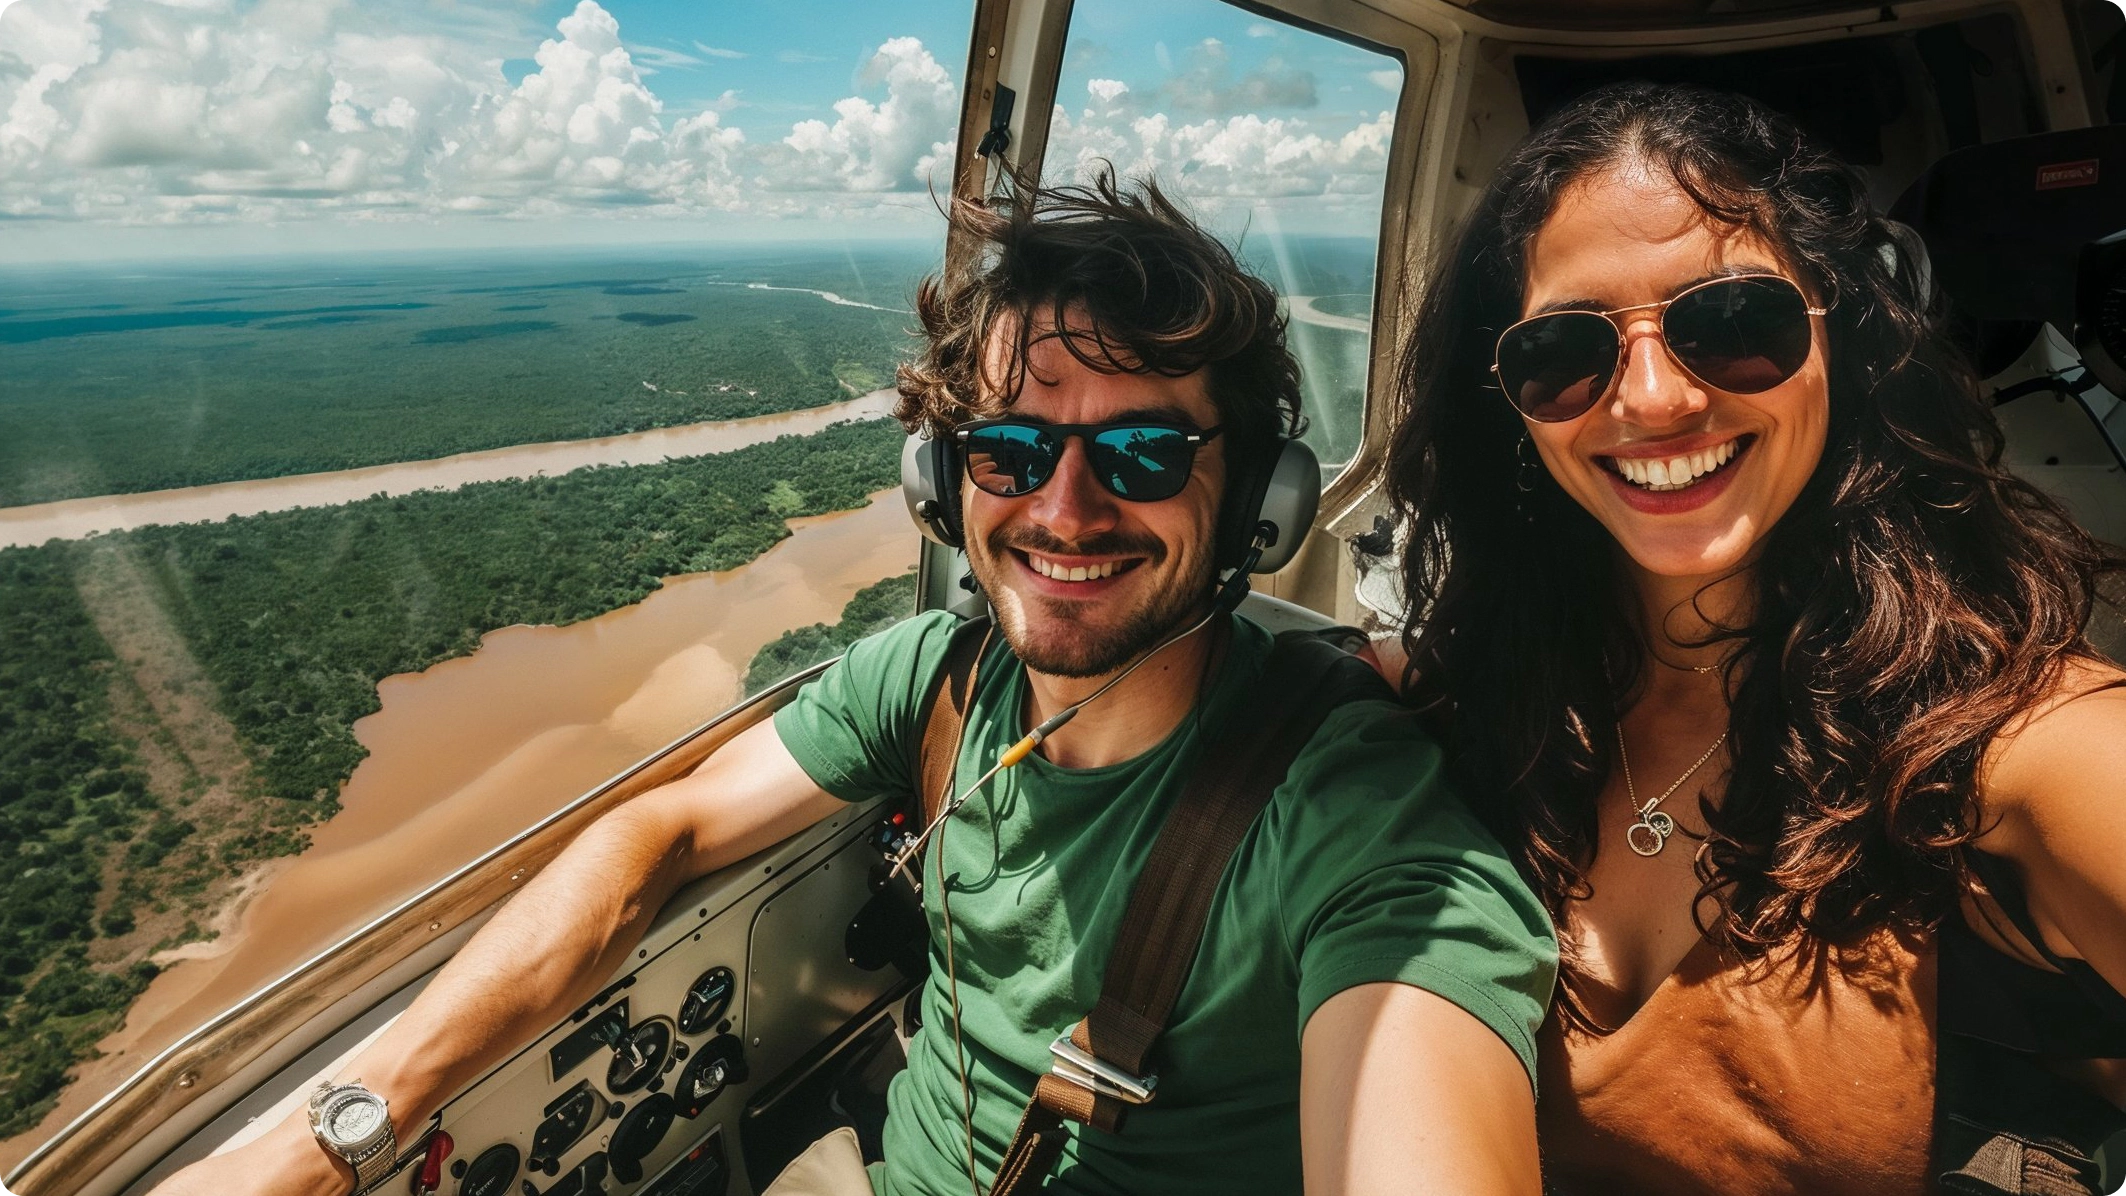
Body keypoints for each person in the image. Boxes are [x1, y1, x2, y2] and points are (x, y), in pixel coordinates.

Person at [152, 174, 1555, 1196]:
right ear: (941, 487)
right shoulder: (943, 681)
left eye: (1139, 455)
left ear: (1256, 501)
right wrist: (338, 1127)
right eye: (1008, 451)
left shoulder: (1361, 821)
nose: (1064, 510)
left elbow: (1417, 1076)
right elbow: (667, 831)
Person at [1370, 81, 2126, 1195]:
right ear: (1510, 407)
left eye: (1731, 322)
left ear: (1844, 331)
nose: (1649, 399)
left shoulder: (2029, 744)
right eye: (1564, 352)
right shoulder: (1474, 712)